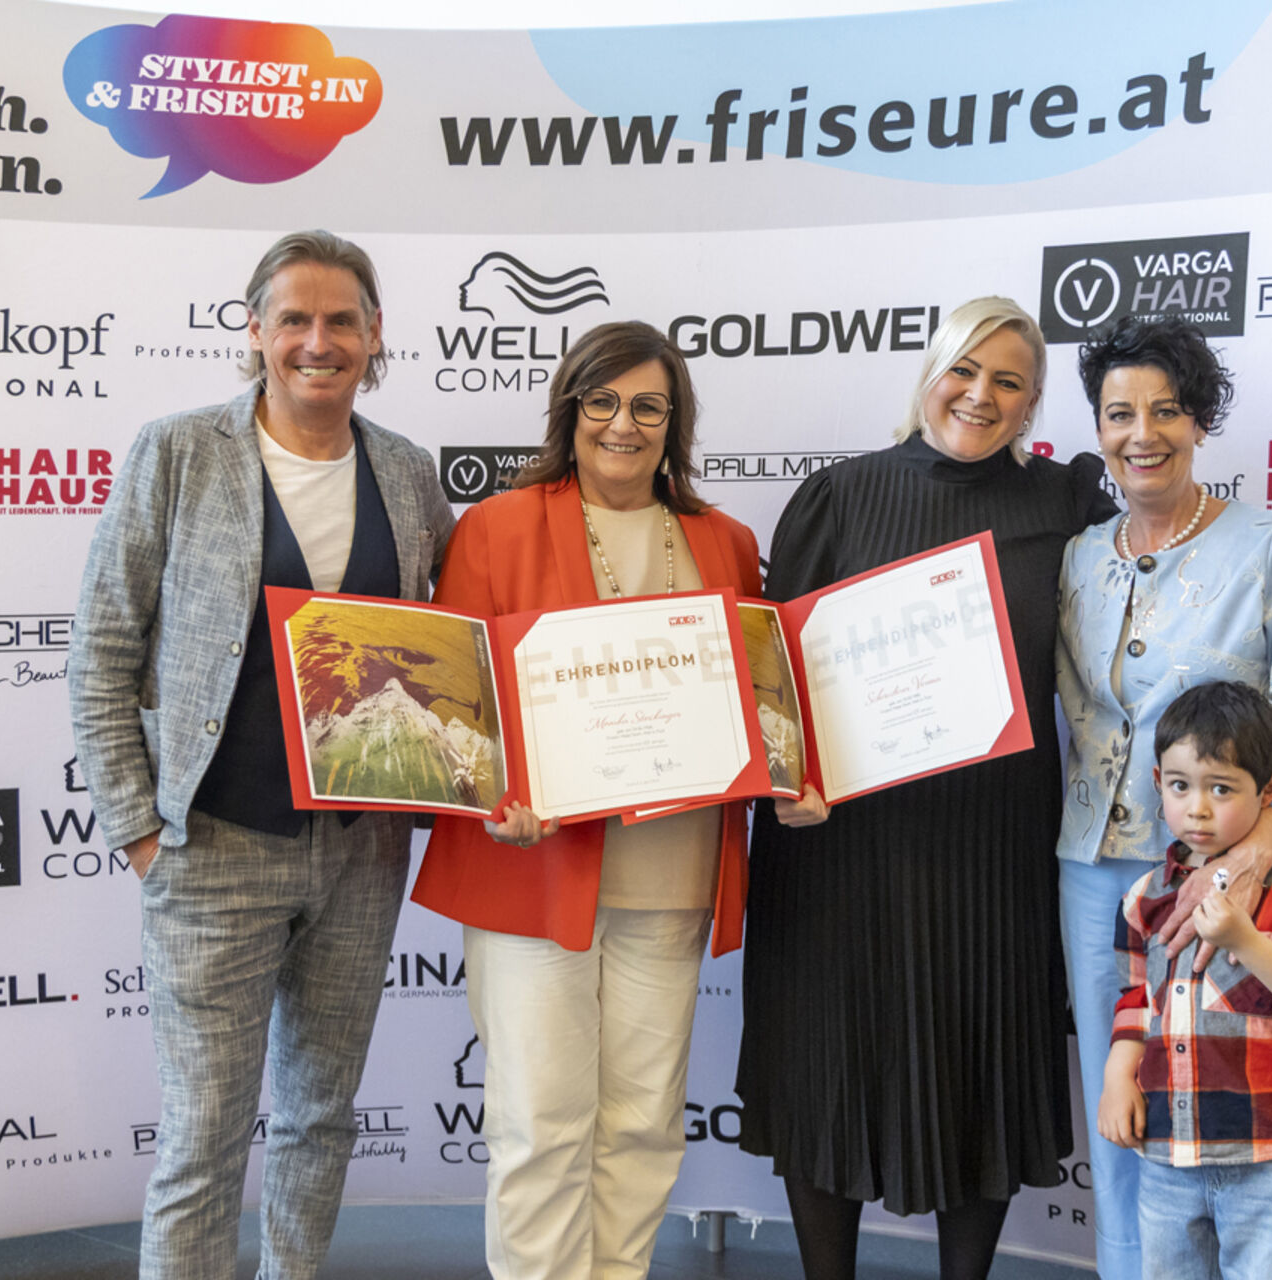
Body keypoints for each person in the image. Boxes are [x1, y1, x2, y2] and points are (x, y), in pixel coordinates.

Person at [67, 230, 454, 1280]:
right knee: (204, 1136)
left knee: (321, 1118)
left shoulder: (407, 471)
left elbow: (450, 644)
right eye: (295, 319)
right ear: (255, 330)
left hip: (362, 851)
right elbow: (102, 650)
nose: (318, 341)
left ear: (376, 335)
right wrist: (139, 831)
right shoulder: (179, 452)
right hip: (213, 848)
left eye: (342, 321)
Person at [410, 321, 761, 1280]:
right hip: (535, 872)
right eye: (601, 401)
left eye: (649, 406)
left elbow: (754, 700)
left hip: (674, 875)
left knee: (643, 1123)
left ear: (675, 422)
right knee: (540, 1124)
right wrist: (496, 793)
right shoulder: (498, 527)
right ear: (569, 411)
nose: (623, 424)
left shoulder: (726, 542)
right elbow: (453, 699)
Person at [1055, 315, 1272, 1280]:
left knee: (1228, 1111)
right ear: (1097, 427)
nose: (1142, 433)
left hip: (1223, 869)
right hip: (1094, 868)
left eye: (1167, 411)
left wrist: (1256, 854)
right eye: (1119, 413)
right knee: (1121, 1103)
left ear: (1200, 422)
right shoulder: (1077, 554)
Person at [1099, 681, 1272, 1280]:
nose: (1198, 808)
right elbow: (1135, 1001)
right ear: (1157, 781)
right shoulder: (1144, 898)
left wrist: (1247, 943)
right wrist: (1116, 1078)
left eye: (1221, 789)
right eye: (1180, 786)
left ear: (1269, 791)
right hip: (1168, 1155)